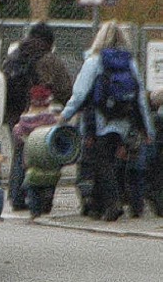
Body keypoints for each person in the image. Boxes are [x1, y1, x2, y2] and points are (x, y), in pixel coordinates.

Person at [59, 20, 154, 221]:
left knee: (101, 163)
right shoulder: (130, 62)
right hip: (124, 120)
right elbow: (139, 98)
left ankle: (112, 204)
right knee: (114, 161)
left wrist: (65, 115)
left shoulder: (94, 61)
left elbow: (80, 93)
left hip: (100, 121)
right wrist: (147, 129)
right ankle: (105, 206)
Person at [3, 22, 72, 209]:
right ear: (49, 41)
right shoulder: (48, 59)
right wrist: (69, 110)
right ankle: (38, 197)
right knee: (40, 155)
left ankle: (16, 196)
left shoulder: (13, 57)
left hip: (13, 114)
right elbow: (65, 89)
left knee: (19, 151)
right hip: (39, 113)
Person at [13, 84, 61, 218]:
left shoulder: (24, 119)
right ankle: (47, 202)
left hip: (30, 155)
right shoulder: (49, 118)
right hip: (47, 154)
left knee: (32, 179)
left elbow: (17, 134)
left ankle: (34, 208)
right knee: (50, 177)